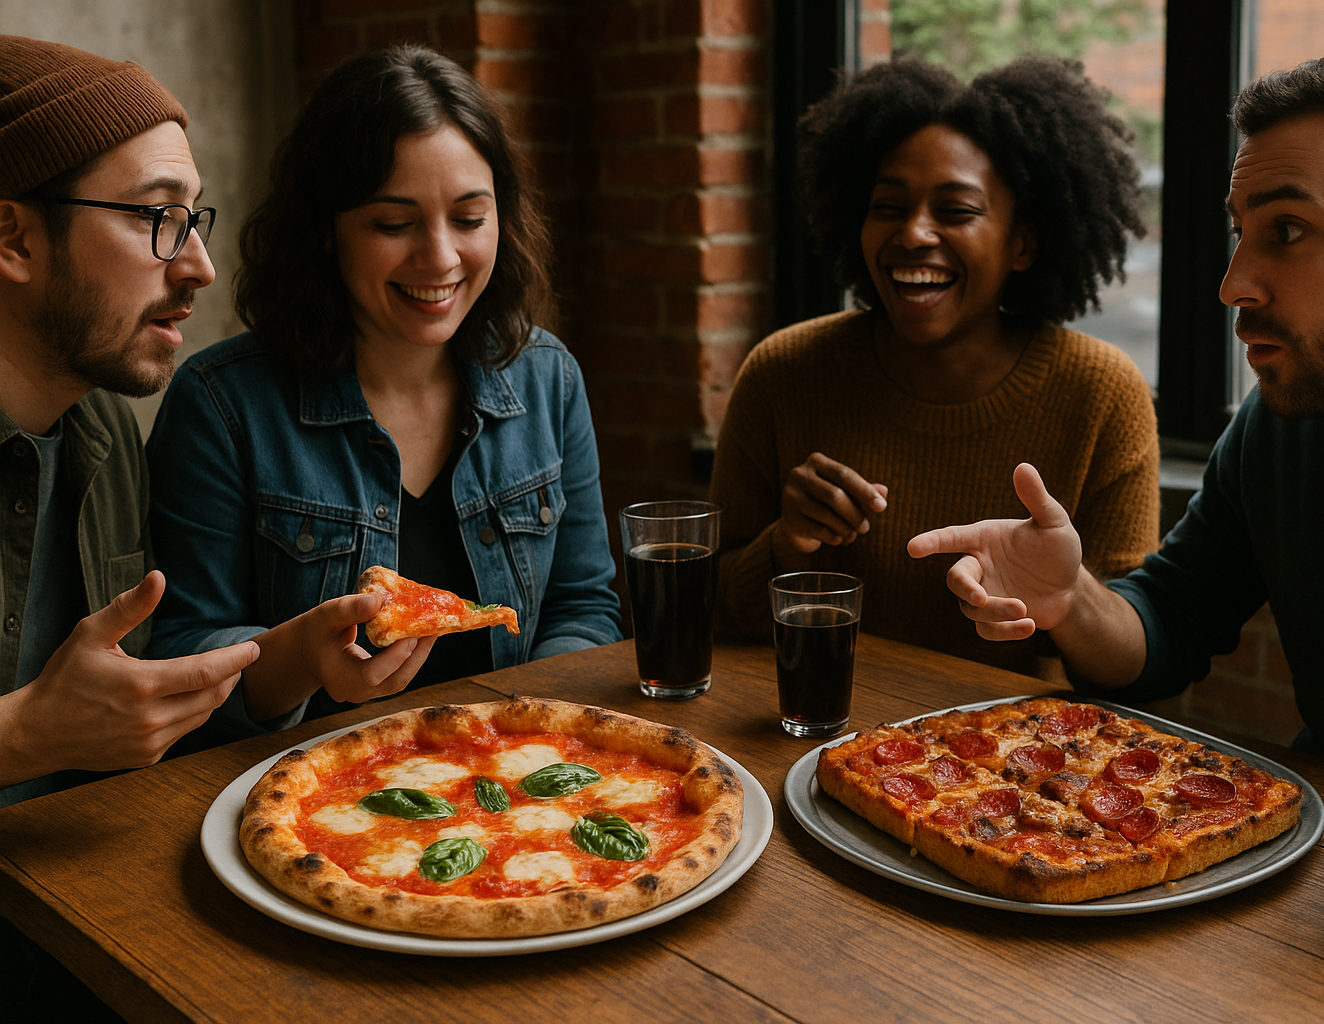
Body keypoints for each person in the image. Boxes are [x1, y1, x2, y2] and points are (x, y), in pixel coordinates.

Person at [908, 46, 1324, 836]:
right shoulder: (1281, 427)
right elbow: (1167, 628)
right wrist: (1073, 603)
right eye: (1243, 232)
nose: (1233, 283)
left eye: (1289, 229)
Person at [145, 45, 622, 732]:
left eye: (468, 217)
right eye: (393, 224)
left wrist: (527, 731)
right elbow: (182, 652)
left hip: (516, 781)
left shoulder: (550, 377)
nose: (440, 257)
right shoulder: (221, 404)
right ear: (324, 232)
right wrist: (301, 661)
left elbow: (583, 606)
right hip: (310, 794)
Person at [709, 57, 1159, 681]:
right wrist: (785, 544)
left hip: (1012, 763)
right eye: (887, 206)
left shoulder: (1100, 394)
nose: (914, 233)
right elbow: (710, 611)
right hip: (808, 738)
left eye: (956, 210)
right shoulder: (783, 373)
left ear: (1023, 243)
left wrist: (1069, 595)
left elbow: (1127, 668)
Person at [0, 36, 263, 804]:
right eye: (158, 217)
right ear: (13, 237)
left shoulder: (111, 431)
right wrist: (22, 736)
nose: (199, 266)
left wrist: (273, 661)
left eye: (192, 218)